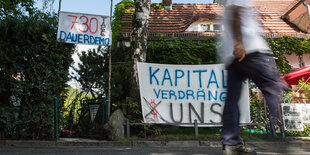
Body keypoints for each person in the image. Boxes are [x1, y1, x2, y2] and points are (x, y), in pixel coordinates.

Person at [218, 0, 286, 154]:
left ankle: (231, 143)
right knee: (273, 85)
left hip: (232, 57)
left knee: (232, 101)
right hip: (249, 50)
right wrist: (239, 43)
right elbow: (236, 13)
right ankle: (278, 135)